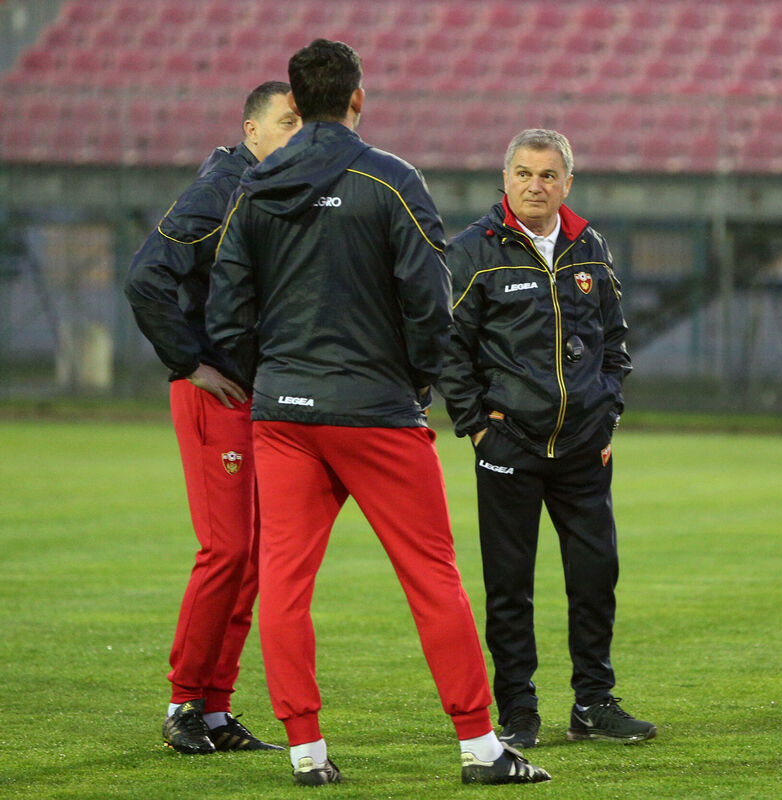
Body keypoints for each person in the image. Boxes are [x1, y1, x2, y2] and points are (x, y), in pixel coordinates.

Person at [206, 39, 550, 787]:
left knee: (285, 582)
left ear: (295, 105)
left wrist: (270, 377)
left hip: (284, 416)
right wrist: (416, 382)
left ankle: (306, 753)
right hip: (375, 412)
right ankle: (481, 748)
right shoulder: (391, 180)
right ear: (357, 98)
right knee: (432, 578)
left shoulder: (254, 187)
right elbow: (430, 302)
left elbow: (226, 310)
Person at [438, 129, 656, 748]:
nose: (535, 185)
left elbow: (614, 342)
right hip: (508, 445)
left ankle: (593, 703)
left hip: (584, 447)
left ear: (567, 184)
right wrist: (477, 427)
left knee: (595, 576)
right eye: (525, 174)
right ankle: (519, 710)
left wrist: (607, 417)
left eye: (548, 175)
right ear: (505, 179)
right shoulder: (471, 251)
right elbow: (448, 347)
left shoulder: (591, 246)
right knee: (510, 585)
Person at [125, 81, 300, 755]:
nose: (297, 133)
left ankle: (217, 710)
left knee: (250, 559)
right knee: (226, 550)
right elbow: (146, 277)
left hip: (256, 393)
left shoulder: (273, 190)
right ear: (251, 130)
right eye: (286, 122)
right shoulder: (220, 191)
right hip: (215, 394)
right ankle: (182, 705)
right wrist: (189, 362)